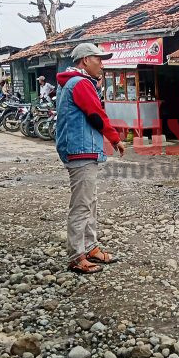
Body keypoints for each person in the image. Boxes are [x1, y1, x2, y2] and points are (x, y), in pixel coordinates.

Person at [55, 43, 126, 274]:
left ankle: (90, 247)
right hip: (80, 151)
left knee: (90, 202)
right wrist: (115, 139)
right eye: (99, 59)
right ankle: (77, 256)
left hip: (82, 150)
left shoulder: (74, 82)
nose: (102, 64)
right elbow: (96, 115)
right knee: (82, 205)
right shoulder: (81, 83)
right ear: (85, 60)